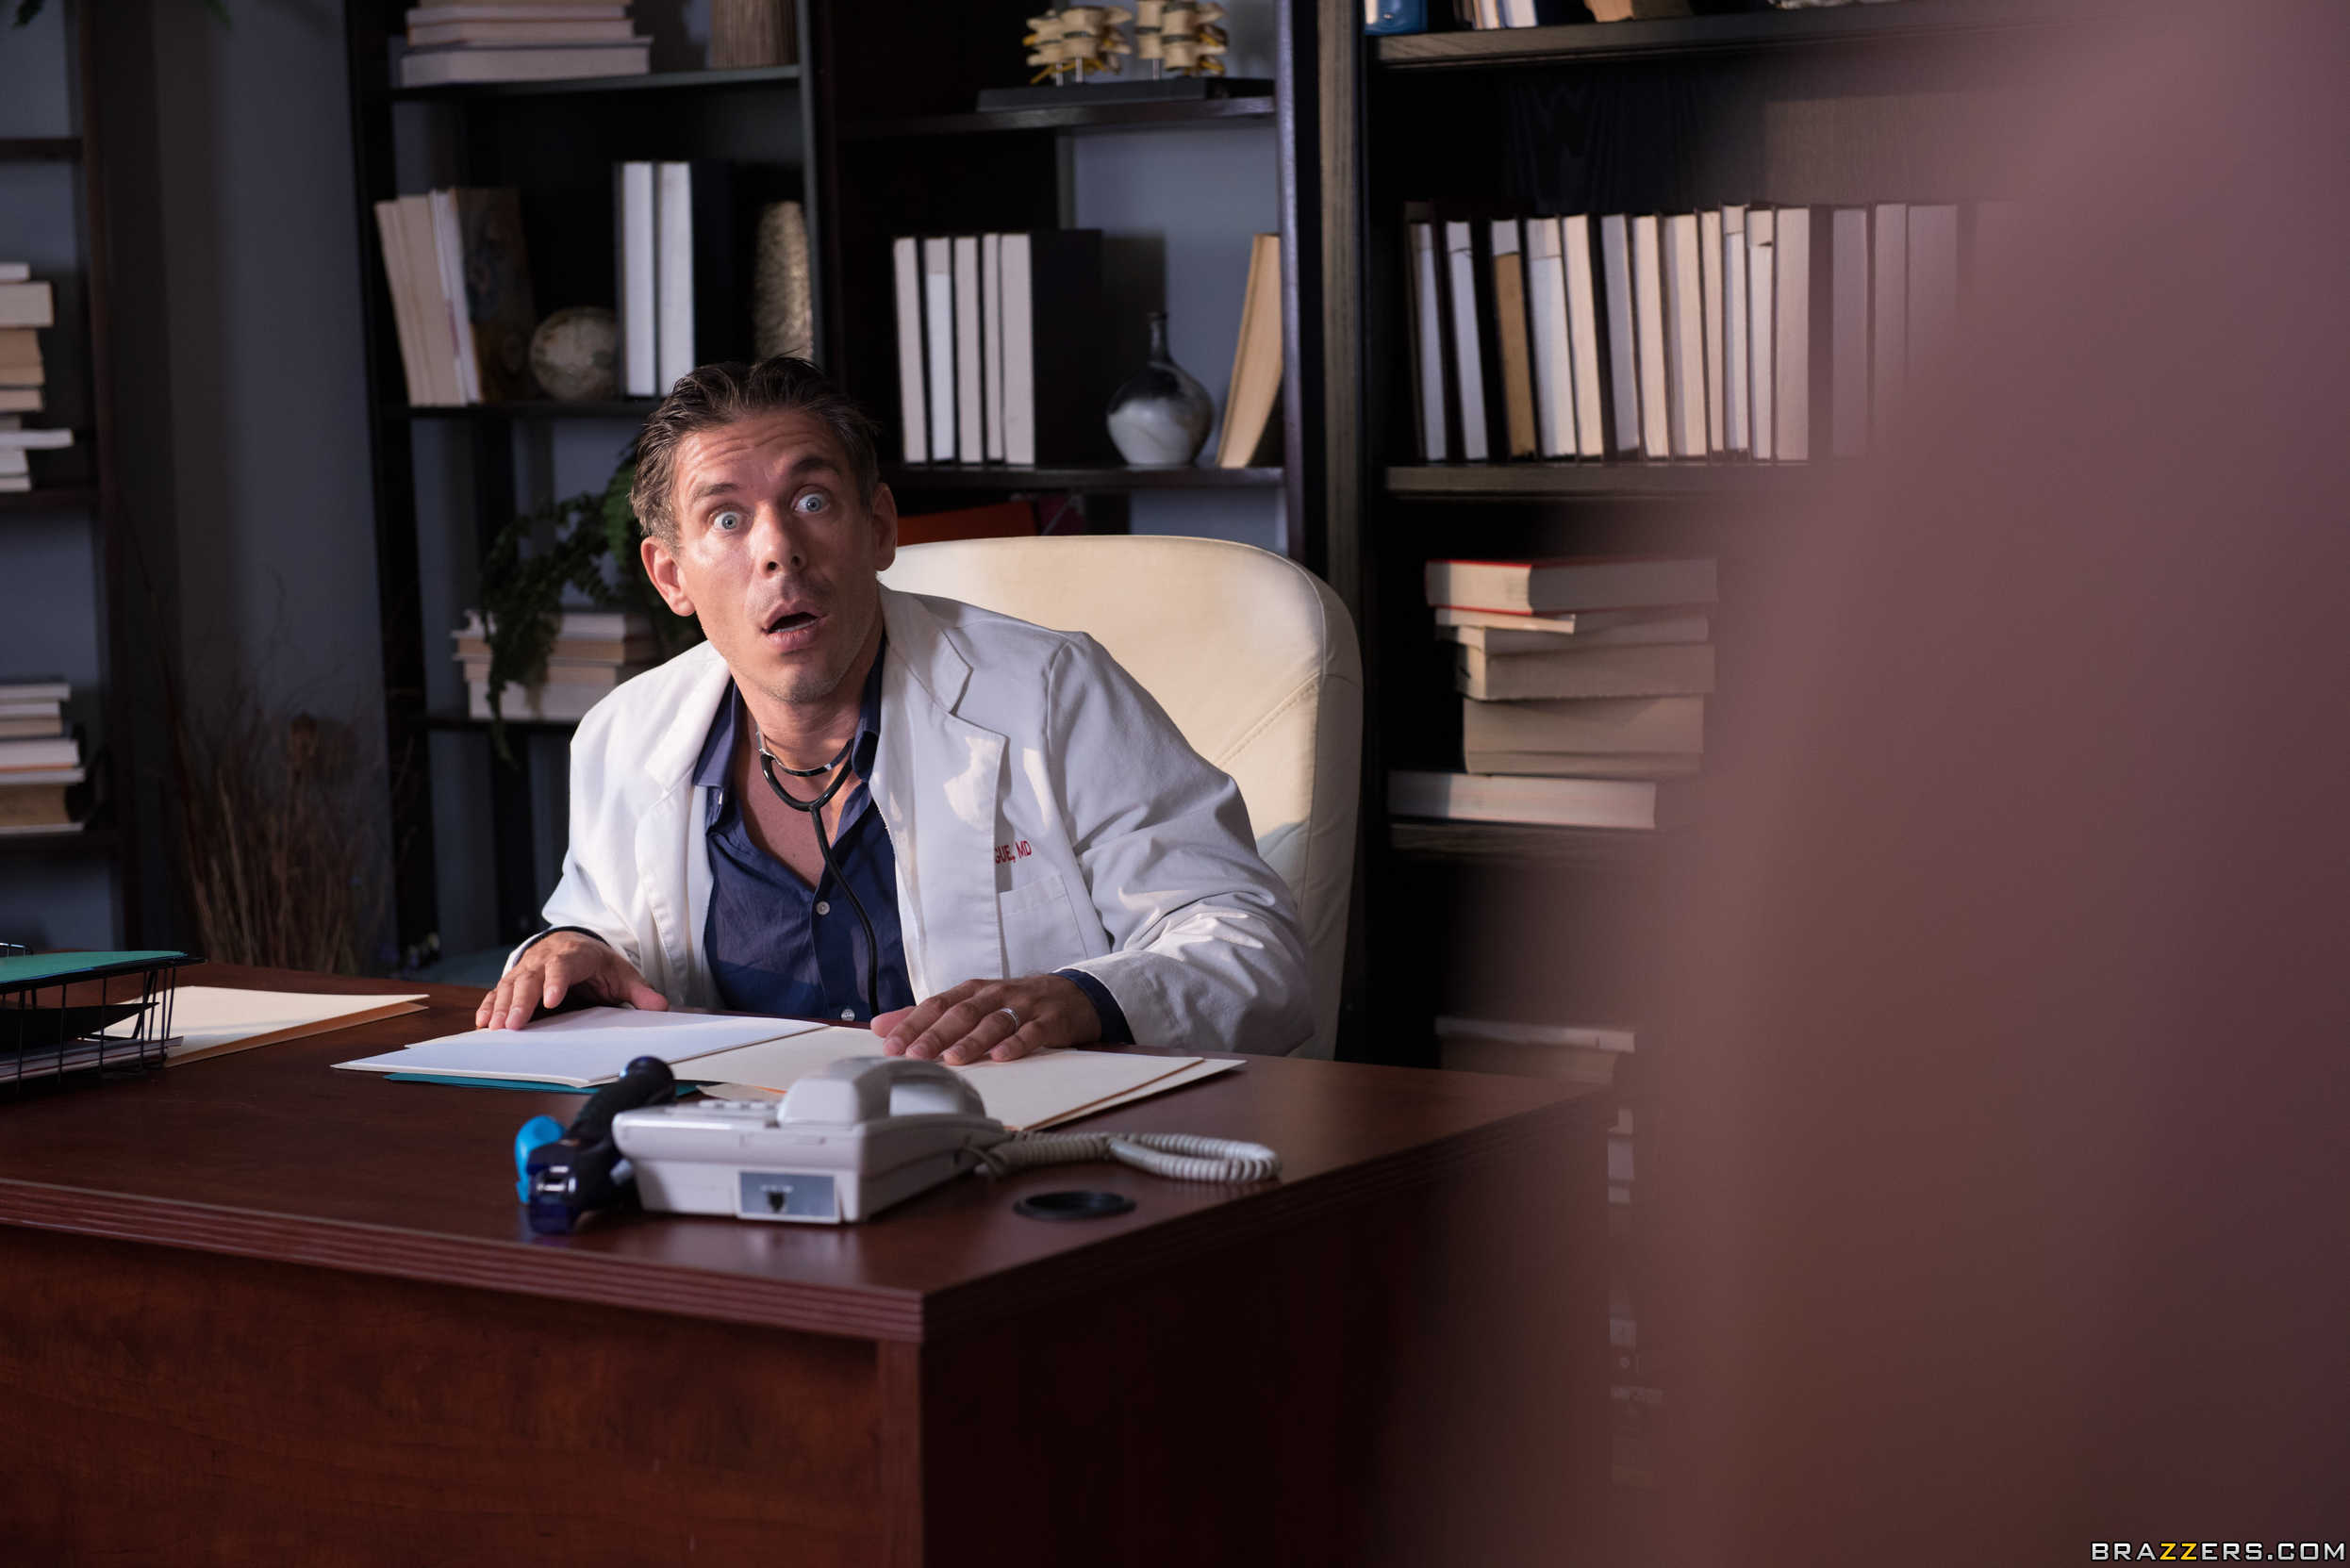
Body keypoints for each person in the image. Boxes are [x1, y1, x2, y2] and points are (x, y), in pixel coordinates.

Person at [471, 356, 1314, 1065]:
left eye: (811, 501)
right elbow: (600, 930)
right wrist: (568, 952)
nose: (778, 549)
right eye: (726, 518)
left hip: (1016, 1158)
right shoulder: (625, 737)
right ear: (670, 576)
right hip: (740, 1173)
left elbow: (1256, 952)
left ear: (878, 528)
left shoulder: (1053, 692)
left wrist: (1085, 998)